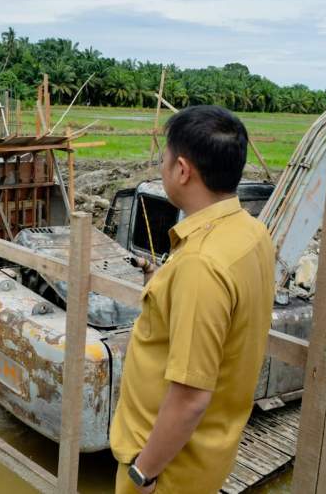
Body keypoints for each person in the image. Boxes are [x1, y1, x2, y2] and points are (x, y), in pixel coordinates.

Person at [110, 105, 275, 493]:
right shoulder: (251, 233)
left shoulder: (201, 264)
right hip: (206, 458)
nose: (163, 167)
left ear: (182, 170)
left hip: (165, 471)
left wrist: (143, 472)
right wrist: (164, 279)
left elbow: (190, 398)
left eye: (164, 159)